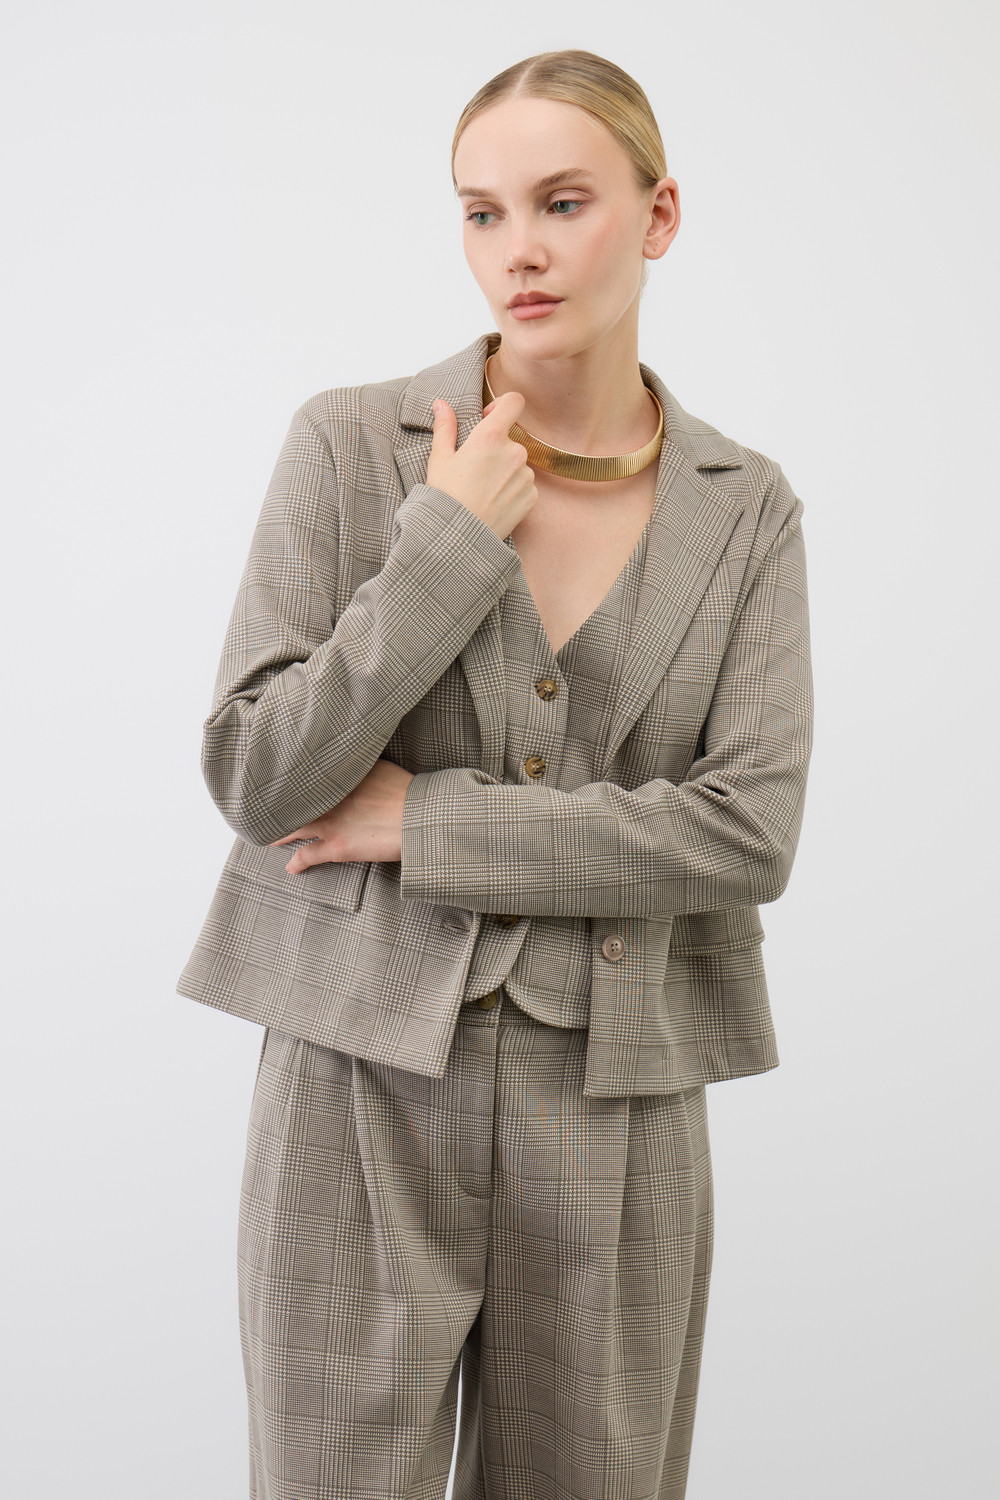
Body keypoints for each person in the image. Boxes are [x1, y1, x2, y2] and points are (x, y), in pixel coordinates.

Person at [176, 47, 813, 1500]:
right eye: (482, 212)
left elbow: (747, 832)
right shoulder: (352, 446)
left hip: (619, 1098)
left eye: (562, 203)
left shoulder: (747, 511)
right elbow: (259, 773)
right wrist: (445, 547)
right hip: (355, 1081)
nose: (518, 249)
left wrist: (428, 821)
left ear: (658, 216)